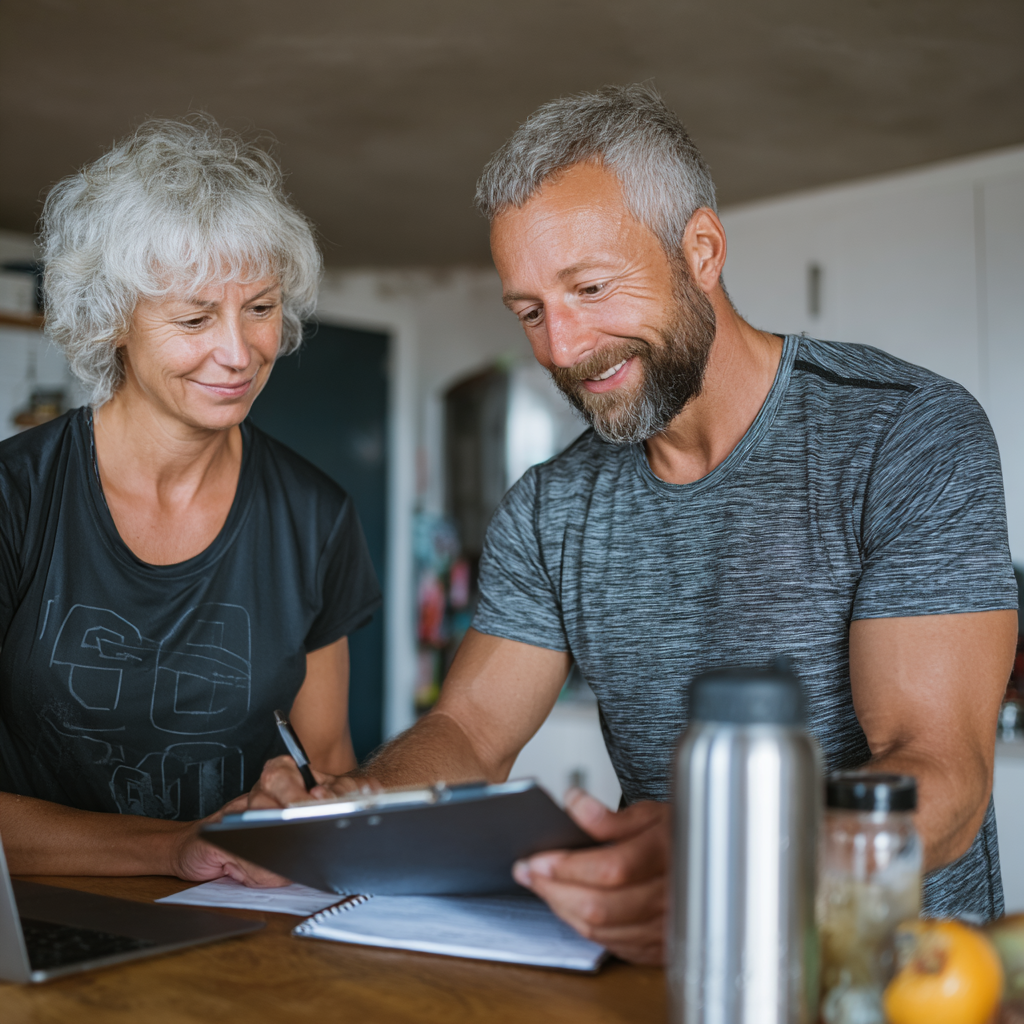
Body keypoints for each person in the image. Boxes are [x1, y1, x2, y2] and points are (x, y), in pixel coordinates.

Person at [254, 85, 1018, 963]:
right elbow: (469, 730)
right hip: (657, 972)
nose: (565, 348)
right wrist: (350, 803)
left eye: (590, 288)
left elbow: (940, 775)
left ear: (701, 249)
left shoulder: (904, 433)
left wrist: (730, 865)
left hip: (891, 981)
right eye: (531, 311)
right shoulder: (553, 506)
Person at [0, 118, 380, 885]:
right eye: (196, 317)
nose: (240, 353)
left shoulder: (316, 517)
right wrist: (176, 848)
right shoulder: (15, 499)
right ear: (115, 324)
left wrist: (305, 804)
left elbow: (328, 762)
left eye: (262, 308)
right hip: (37, 929)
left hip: (237, 931)